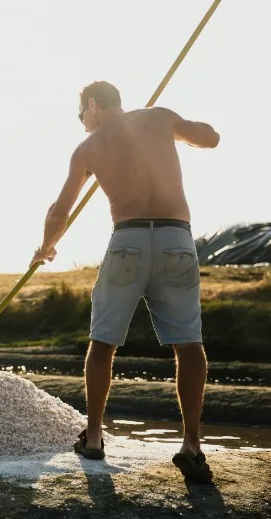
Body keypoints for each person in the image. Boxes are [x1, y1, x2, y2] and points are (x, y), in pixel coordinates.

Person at [30, 81, 219, 483]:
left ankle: (95, 438)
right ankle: (192, 445)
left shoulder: (88, 148)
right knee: (189, 343)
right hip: (176, 239)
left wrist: (45, 249)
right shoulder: (159, 117)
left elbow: (58, 211)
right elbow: (210, 138)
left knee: (102, 344)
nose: (82, 123)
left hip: (128, 240)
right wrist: (173, 127)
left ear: (94, 106)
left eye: (81, 114)